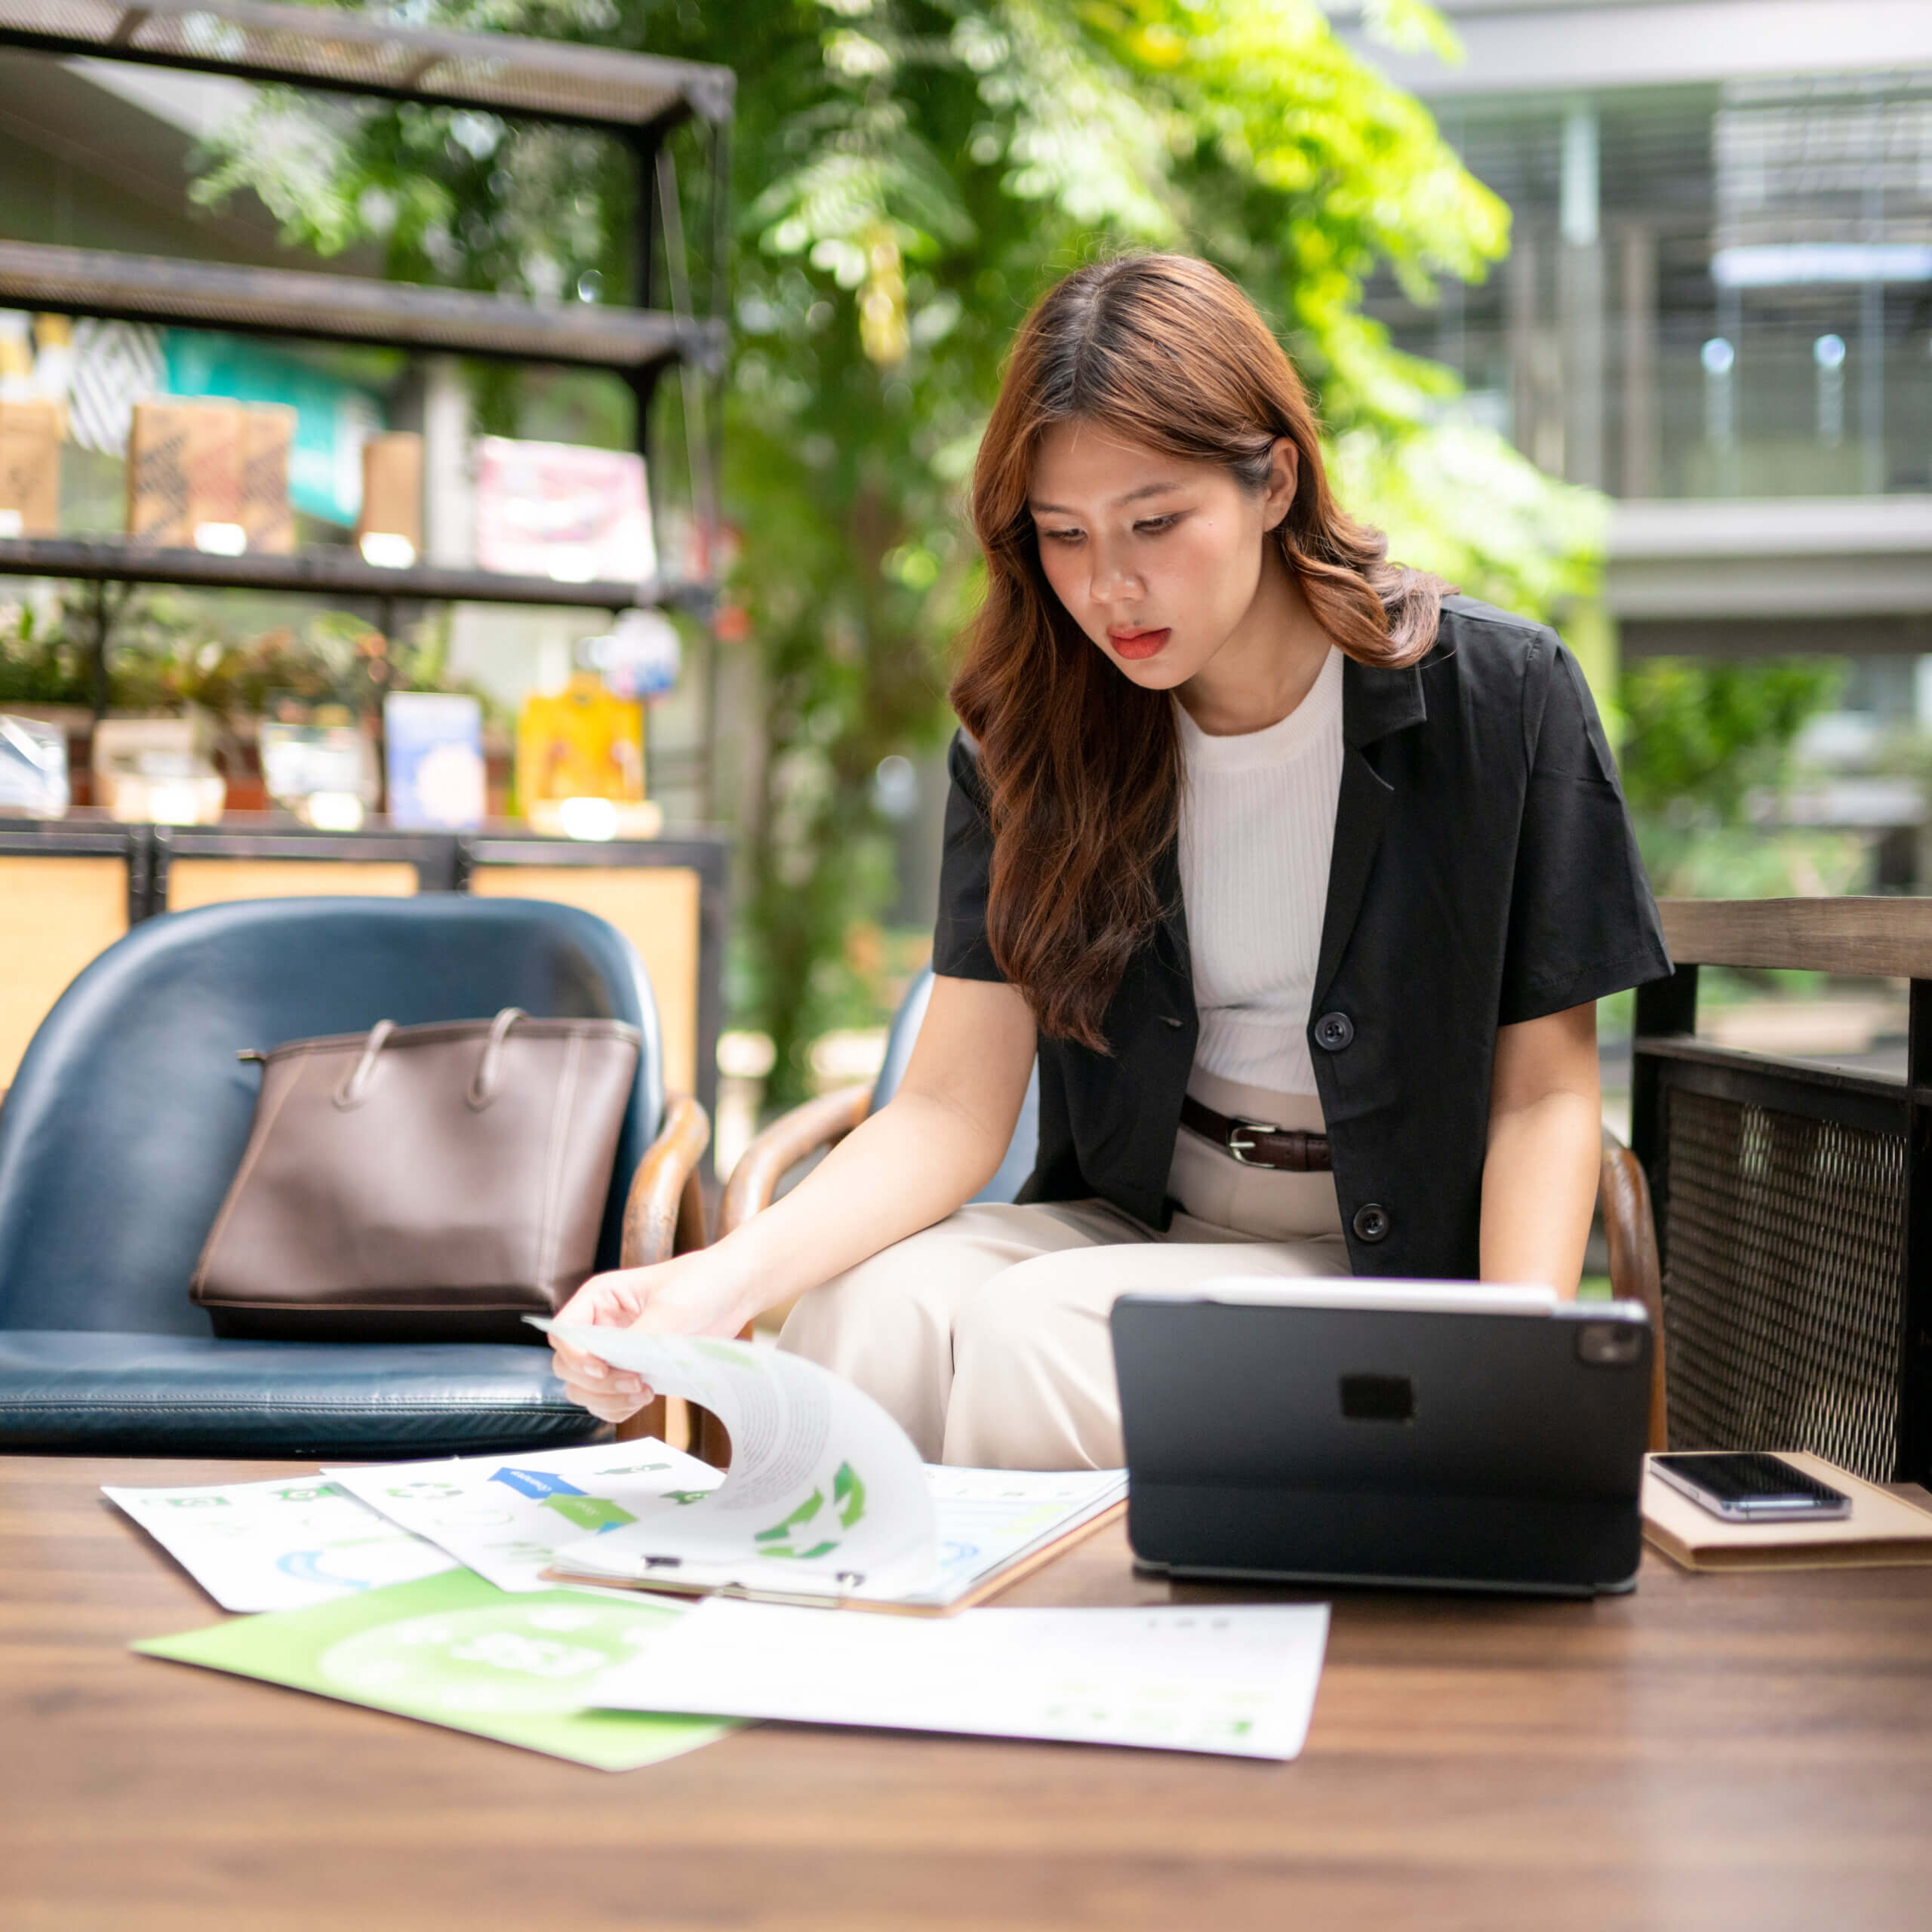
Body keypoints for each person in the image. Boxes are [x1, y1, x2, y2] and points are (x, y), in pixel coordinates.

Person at [549, 252, 1671, 1469]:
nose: (1110, 587)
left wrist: (1502, 1371)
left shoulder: (1497, 698)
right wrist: (714, 1284)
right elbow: (947, 1109)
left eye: (1155, 522)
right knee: (862, 1314)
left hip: (1387, 1252)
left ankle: (1083, 1660)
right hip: (1140, 1217)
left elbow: (1550, 1096)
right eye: (1064, 537)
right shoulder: (1037, 734)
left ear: (1274, 479)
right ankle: (842, 1648)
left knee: (1039, 1337)